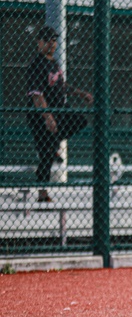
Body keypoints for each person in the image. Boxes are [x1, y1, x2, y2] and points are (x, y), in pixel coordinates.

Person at [25, 26, 93, 203]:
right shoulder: (36, 65)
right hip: (40, 116)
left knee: (79, 121)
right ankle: (42, 194)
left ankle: (54, 144)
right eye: (47, 40)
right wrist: (47, 117)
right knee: (45, 155)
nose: (51, 44)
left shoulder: (53, 63)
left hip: (60, 111)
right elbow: (37, 95)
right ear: (39, 42)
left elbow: (62, 86)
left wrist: (81, 94)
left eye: (54, 40)